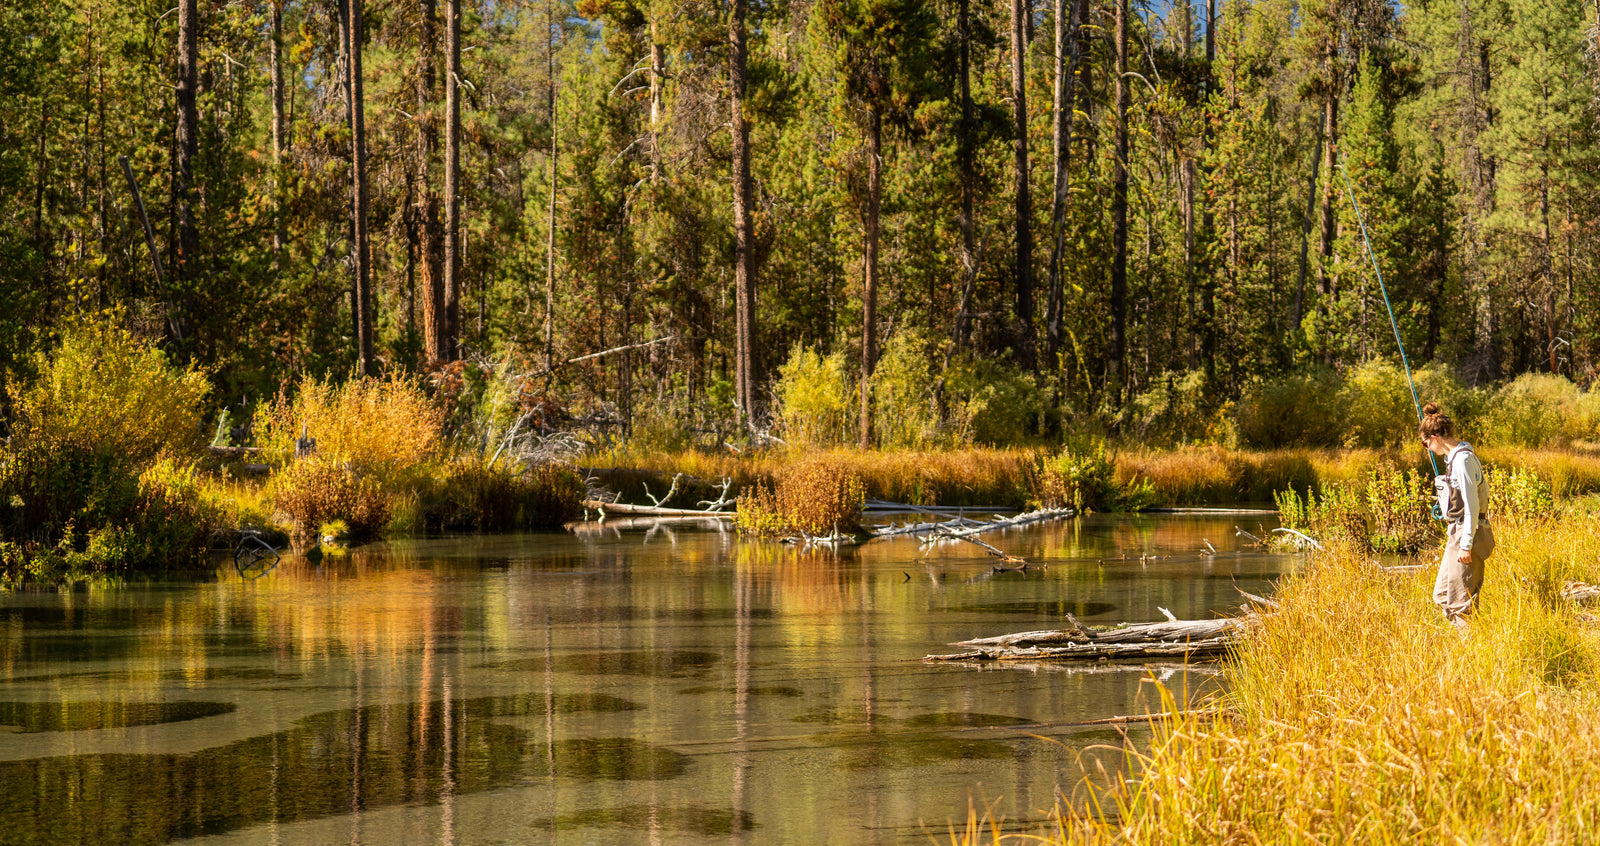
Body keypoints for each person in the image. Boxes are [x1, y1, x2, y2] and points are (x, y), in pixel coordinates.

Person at [1420, 402, 1494, 630]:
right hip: (1458, 533)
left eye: (1425, 444)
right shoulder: (1454, 459)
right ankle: (1470, 643)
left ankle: (1473, 651)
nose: (1427, 449)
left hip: (1467, 535)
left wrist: (1466, 545)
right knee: (1442, 596)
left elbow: (1472, 507)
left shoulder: (1462, 461)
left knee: (1460, 604)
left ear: (1435, 437)